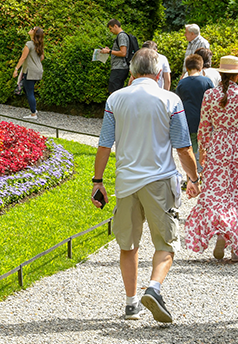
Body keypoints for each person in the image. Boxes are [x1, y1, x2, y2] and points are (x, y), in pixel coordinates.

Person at [91, 48, 201, 324]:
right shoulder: (169, 99)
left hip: (126, 182)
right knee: (166, 243)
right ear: (159, 72)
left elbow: (105, 144)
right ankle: (153, 288)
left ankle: (131, 304)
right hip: (159, 181)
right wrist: (195, 178)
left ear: (131, 72)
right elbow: (183, 147)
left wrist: (97, 181)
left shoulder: (115, 99)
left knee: (128, 244)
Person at [184, 55, 238, 262]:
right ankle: (237, 248)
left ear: (220, 73)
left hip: (217, 147)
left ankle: (220, 233)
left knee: (217, 194)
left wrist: (203, 152)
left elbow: (204, 126)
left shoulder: (210, 94)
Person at [176, 54, 214, 159]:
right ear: (201, 68)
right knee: (204, 146)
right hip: (204, 119)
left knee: (191, 146)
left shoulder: (182, 83)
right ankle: (201, 170)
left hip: (188, 119)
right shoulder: (207, 81)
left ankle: (192, 172)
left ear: (187, 68)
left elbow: (178, 100)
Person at [13, 27, 45, 120]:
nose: (30, 29)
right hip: (38, 70)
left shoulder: (29, 44)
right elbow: (42, 58)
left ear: (34, 33)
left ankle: (33, 114)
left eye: (32, 29)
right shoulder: (39, 44)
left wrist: (16, 69)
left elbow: (22, 58)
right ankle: (34, 108)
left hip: (30, 71)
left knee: (29, 92)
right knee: (29, 90)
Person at [100, 19, 139, 94]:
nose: (110, 31)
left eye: (110, 29)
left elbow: (123, 53)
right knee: (116, 90)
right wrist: (109, 50)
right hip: (119, 67)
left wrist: (109, 51)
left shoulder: (121, 36)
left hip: (120, 67)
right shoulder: (121, 36)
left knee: (114, 92)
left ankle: (115, 106)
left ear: (115, 26)